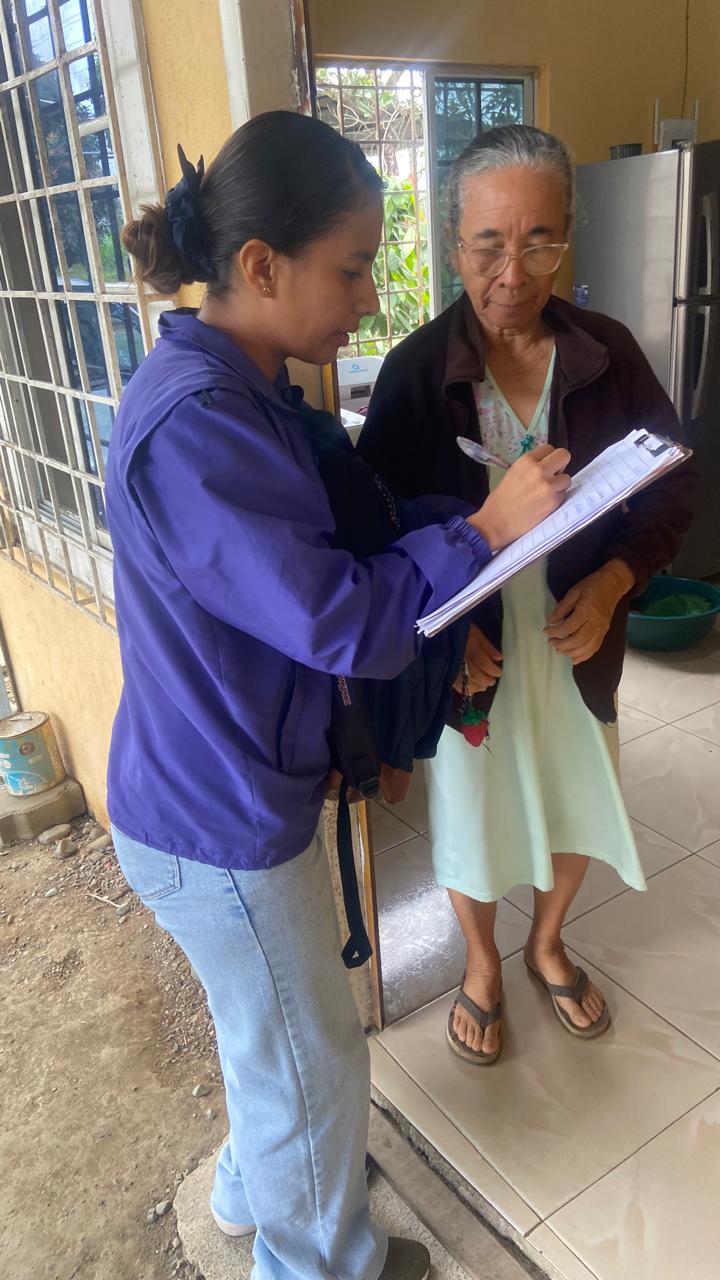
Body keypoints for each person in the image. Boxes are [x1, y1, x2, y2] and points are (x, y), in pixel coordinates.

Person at [104, 111, 572, 1280]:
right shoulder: (198, 425)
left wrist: (457, 531)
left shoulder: (246, 387)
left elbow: (336, 544)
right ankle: (320, 1262)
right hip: (216, 820)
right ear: (262, 265)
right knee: (312, 1056)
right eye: (353, 268)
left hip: (213, 790)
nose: (369, 300)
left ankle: (247, 1190)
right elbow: (344, 618)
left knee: (269, 1031)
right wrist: (481, 531)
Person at [358, 124, 695, 1066]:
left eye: (540, 242)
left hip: (575, 640)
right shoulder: (417, 374)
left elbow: (671, 488)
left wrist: (616, 582)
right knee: (473, 816)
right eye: (488, 245)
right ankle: (482, 962)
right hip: (474, 656)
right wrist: (441, 637)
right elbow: (374, 526)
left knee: (578, 792)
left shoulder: (607, 354)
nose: (513, 273)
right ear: (453, 242)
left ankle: (547, 942)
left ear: (566, 241)